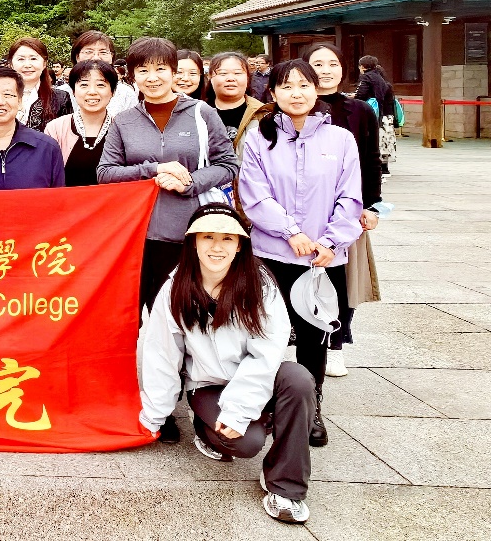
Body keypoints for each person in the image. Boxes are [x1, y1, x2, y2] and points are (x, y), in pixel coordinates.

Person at [97, 36, 239, 446]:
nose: (153, 77)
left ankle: (197, 401)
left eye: (161, 68)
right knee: (150, 325)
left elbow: (228, 164)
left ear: (175, 71)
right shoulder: (123, 120)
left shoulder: (202, 113)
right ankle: (159, 404)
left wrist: (191, 181)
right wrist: (152, 170)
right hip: (142, 237)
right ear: (131, 76)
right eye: (143, 70)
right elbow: (105, 173)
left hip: (193, 236)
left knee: (192, 320)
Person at [140, 204, 316, 525]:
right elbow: (161, 356)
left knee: (299, 379)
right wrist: (153, 417)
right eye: (208, 237)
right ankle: (207, 429)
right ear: (193, 242)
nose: (217, 247)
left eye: (227, 238)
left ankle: (284, 487)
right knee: (246, 443)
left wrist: (240, 410)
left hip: (259, 376)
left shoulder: (260, 285)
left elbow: (266, 353)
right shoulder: (175, 287)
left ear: (239, 245)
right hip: (209, 384)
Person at [239, 59, 362, 448]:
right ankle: (265, 402)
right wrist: (290, 231)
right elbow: (254, 195)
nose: (297, 93)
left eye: (304, 85)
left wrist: (330, 242)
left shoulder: (340, 139)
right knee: (266, 332)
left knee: (314, 336)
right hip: (273, 253)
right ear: (272, 93)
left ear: (316, 89)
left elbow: (350, 197)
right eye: (287, 86)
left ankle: (310, 408)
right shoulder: (258, 138)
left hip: (322, 259)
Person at [303, 43, 384, 378]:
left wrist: (371, 205)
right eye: (317, 64)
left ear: (343, 68)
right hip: (302, 209)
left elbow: (371, 160)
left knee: (343, 279)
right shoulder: (293, 105)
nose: (325, 70)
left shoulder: (360, 110)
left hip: (346, 209)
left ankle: (336, 344)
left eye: (332, 63)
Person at [45, 60, 118, 186]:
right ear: (73, 91)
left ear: (113, 91)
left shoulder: (122, 128)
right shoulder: (56, 128)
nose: (92, 92)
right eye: (84, 85)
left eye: (100, 85)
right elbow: (46, 175)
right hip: (65, 198)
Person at [208, 52, 270, 152]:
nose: (230, 79)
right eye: (223, 73)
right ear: (210, 77)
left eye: (237, 73)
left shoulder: (264, 114)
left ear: (248, 77)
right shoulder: (197, 111)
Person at [67, 31, 138, 114]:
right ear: (77, 57)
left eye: (103, 52)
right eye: (89, 52)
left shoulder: (126, 93)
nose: (96, 57)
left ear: (111, 56)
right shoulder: (63, 93)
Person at [8, 37, 71, 130]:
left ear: (44, 63)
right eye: (21, 59)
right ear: (11, 64)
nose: (27, 65)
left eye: (33, 59)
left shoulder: (60, 98)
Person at [355, 56, 398, 176]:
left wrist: (353, 97)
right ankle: (384, 167)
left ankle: (375, 168)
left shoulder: (367, 77)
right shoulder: (382, 79)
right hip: (387, 114)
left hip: (375, 114)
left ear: (363, 66)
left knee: (373, 140)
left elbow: (361, 95)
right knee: (385, 140)